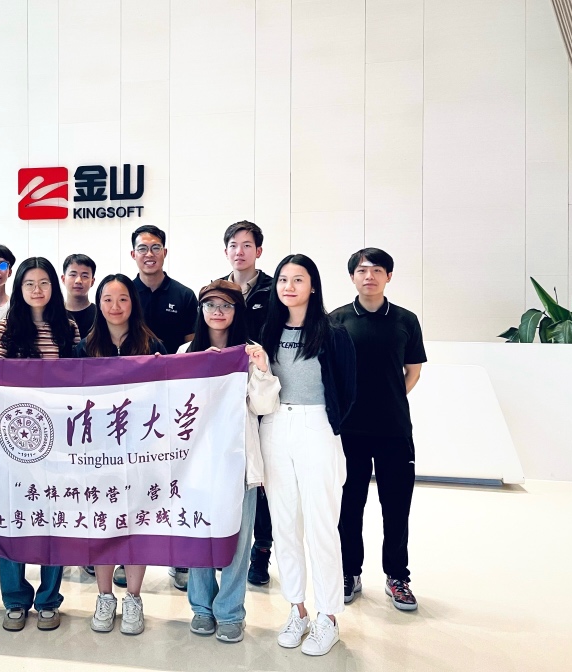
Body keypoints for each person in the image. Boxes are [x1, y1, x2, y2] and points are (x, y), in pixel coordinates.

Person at [259, 254, 356, 656]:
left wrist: (327, 423)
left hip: (316, 426)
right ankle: (296, 608)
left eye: (298, 279)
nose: (289, 286)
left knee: (321, 524)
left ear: (313, 286)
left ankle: (328, 616)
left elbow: (347, 389)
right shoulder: (266, 331)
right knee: (284, 524)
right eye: (283, 279)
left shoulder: (332, 333)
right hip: (274, 426)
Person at [180, 280, 278, 643]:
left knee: (238, 541)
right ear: (201, 310)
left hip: (239, 463)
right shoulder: (185, 353)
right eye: (210, 305)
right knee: (198, 536)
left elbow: (264, 406)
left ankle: (231, 611)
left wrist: (262, 370)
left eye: (226, 305)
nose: (217, 312)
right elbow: (177, 409)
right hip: (195, 465)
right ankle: (202, 608)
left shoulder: (251, 353)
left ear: (237, 311)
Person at [0, 256, 80, 632]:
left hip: (59, 441)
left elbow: (80, 378)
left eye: (43, 283)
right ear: (19, 288)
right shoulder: (7, 326)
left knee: (54, 518)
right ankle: (15, 599)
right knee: (15, 516)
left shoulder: (67, 327)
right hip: (17, 438)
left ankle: (49, 599)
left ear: (53, 287)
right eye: (29, 284)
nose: (37, 290)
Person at [331, 248, 425, 612]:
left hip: (394, 430)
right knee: (349, 506)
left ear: (388, 276)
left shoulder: (405, 320)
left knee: (396, 507)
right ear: (352, 277)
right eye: (361, 270)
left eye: (376, 270)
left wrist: (389, 396)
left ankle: (397, 577)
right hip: (349, 431)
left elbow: (413, 370)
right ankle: (348, 572)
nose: (369, 276)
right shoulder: (337, 320)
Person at [73, 273, 165, 636]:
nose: (115, 306)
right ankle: (105, 596)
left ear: (133, 303)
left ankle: (134, 598)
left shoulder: (152, 344)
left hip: (141, 451)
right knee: (103, 523)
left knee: (137, 522)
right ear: (99, 304)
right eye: (108, 299)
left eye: (123, 299)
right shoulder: (85, 347)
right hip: (99, 453)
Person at [129, 223, 198, 590]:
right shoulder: (124, 293)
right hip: (132, 405)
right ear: (133, 254)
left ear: (165, 252)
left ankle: (179, 558)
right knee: (133, 481)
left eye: (155, 247)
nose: (149, 254)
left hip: (173, 403)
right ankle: (127, 554)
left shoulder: (184, 296)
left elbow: (192, 348)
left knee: (176, 479)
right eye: (143, 248)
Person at [219, 221, 275, 586]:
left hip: (263, 387)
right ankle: (224, 545)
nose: (240, 251)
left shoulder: (272, 290)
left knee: (262, 478)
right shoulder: (217, 289)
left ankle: (261, 551)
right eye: (233, 245)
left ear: (258, 251)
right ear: (225, 250)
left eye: (247, 245)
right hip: (226, 397)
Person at [62, 253, 97, 339]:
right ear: (63, 279)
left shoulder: (100, 314)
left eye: (85, 276)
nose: (78, 281)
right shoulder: (54, 314)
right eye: (73, 275)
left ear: (92, 282)